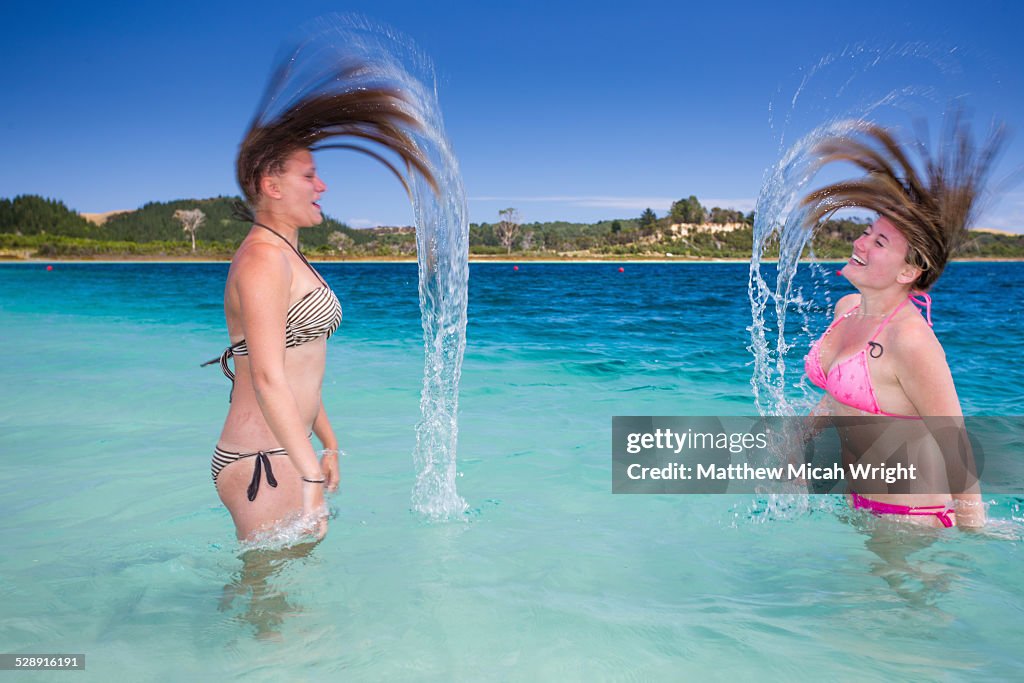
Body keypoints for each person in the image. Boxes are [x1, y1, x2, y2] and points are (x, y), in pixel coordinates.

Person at [204, 49, 437, 541]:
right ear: (272, 185)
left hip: (285, 451)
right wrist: (308, 472)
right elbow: (268, 377)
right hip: (260, 461)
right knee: (272, 606)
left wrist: (327, 444)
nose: (322, 185)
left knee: (279, 599)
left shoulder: (285, 254)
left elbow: (300, 365)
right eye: (308, 175)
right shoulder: (263, 259)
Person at [801, 117, 1004, 528]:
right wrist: (796, 437)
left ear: (907, 272)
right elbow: (842, 394)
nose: (859, 243)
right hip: (861, 505)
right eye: (867, 232)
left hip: (913, 523)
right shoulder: (848, 309)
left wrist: (971, 540)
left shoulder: (911, 340)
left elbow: (956, 446)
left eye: (879, 242)